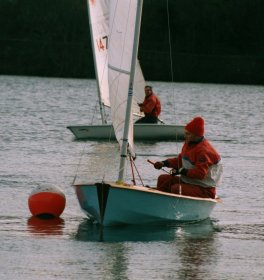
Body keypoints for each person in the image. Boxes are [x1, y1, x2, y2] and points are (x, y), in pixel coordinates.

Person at [153, 116, 223, 199]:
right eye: (185, 133)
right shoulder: (188, 143)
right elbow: (180, 160)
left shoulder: (204, 151)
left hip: (205, 189)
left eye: (188, 134)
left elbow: (200, 174)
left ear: (196, 135)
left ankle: (172, 207)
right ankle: (159, 202)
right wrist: (163, 163)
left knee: (176, 188)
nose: (185, 136)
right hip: (189, 182)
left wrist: (181, 171)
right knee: (163, 179)